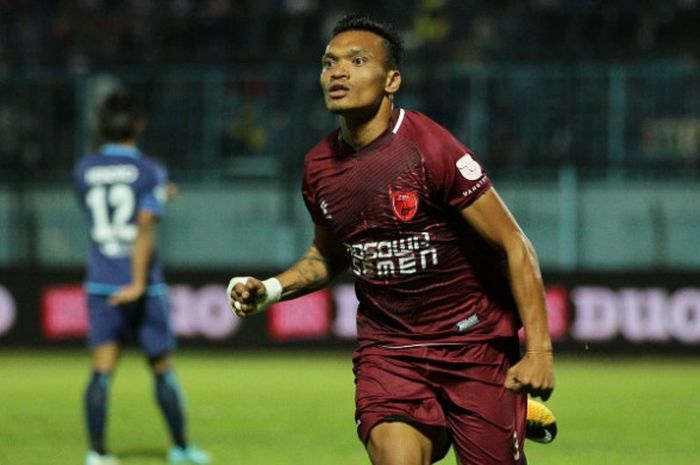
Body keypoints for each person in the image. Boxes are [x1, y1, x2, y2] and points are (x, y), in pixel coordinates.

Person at [228, 14, 555, 465]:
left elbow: (515, 244)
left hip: (472, 346)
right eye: (328, 63)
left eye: (357, 61)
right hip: (390, 351)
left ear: (391, 79)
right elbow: (329, 255)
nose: (337, 72)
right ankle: (450, 417)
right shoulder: (319, 167)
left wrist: (538, 352)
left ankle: (492, 413)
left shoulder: (431, 150)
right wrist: (269, 290)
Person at [74, 89, 211, 465]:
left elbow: (108, 204)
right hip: (143, 285)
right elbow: (144, 225)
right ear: (139, 124)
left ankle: (97, 453)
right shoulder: (149, 170)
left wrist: (156, 195)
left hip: (102, 282)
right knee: (162, 368)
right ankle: (182, 448)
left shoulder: (83, 170)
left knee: (101, 370)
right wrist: (136, 281)